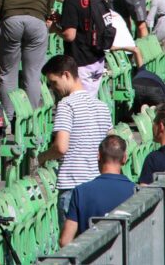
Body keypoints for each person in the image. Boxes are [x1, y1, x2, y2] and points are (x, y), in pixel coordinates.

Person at [38, 55, 113, 224]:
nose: (53, 88)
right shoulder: (102, 106)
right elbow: (110, 143)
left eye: (54, 82)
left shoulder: (66, 105)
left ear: (66, 75)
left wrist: (42, 157)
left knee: (70, 238)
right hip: (97, 183)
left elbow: (61, 147)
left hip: (72, 185)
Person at [0, 0, 57, 121]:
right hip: (37, 22)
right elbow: (50, 2)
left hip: (11, 20)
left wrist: (4, 16)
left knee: (8, 74)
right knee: (33, 75)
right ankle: (30, 119)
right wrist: (43, 15)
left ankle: (8, 118)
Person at [58, 135, 135, 246]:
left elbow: (65, 241)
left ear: (98, 156)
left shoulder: (81, 192)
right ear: (124, 158)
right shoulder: (136, 191)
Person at [53, 0, 108, 96]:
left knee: (82, 103)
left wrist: (54, 29)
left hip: (81, 61)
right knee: (91, 100)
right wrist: (61, 19)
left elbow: (69, 35)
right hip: (97, 58)